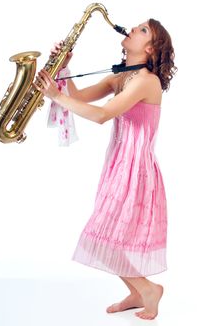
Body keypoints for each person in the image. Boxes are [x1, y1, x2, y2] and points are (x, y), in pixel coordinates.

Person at [34, 18, 177, 320]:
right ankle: (138, 292)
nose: (131, 30)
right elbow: (80, 98)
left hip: (136, 169)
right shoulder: (123, 76)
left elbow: (101, 115)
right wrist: (63, 69)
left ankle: (149, 290)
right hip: (119, 165)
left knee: (102, 235)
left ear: (150, 48)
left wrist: (56, 95)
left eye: (141, 30)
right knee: (108, 236)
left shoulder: (145, 81)